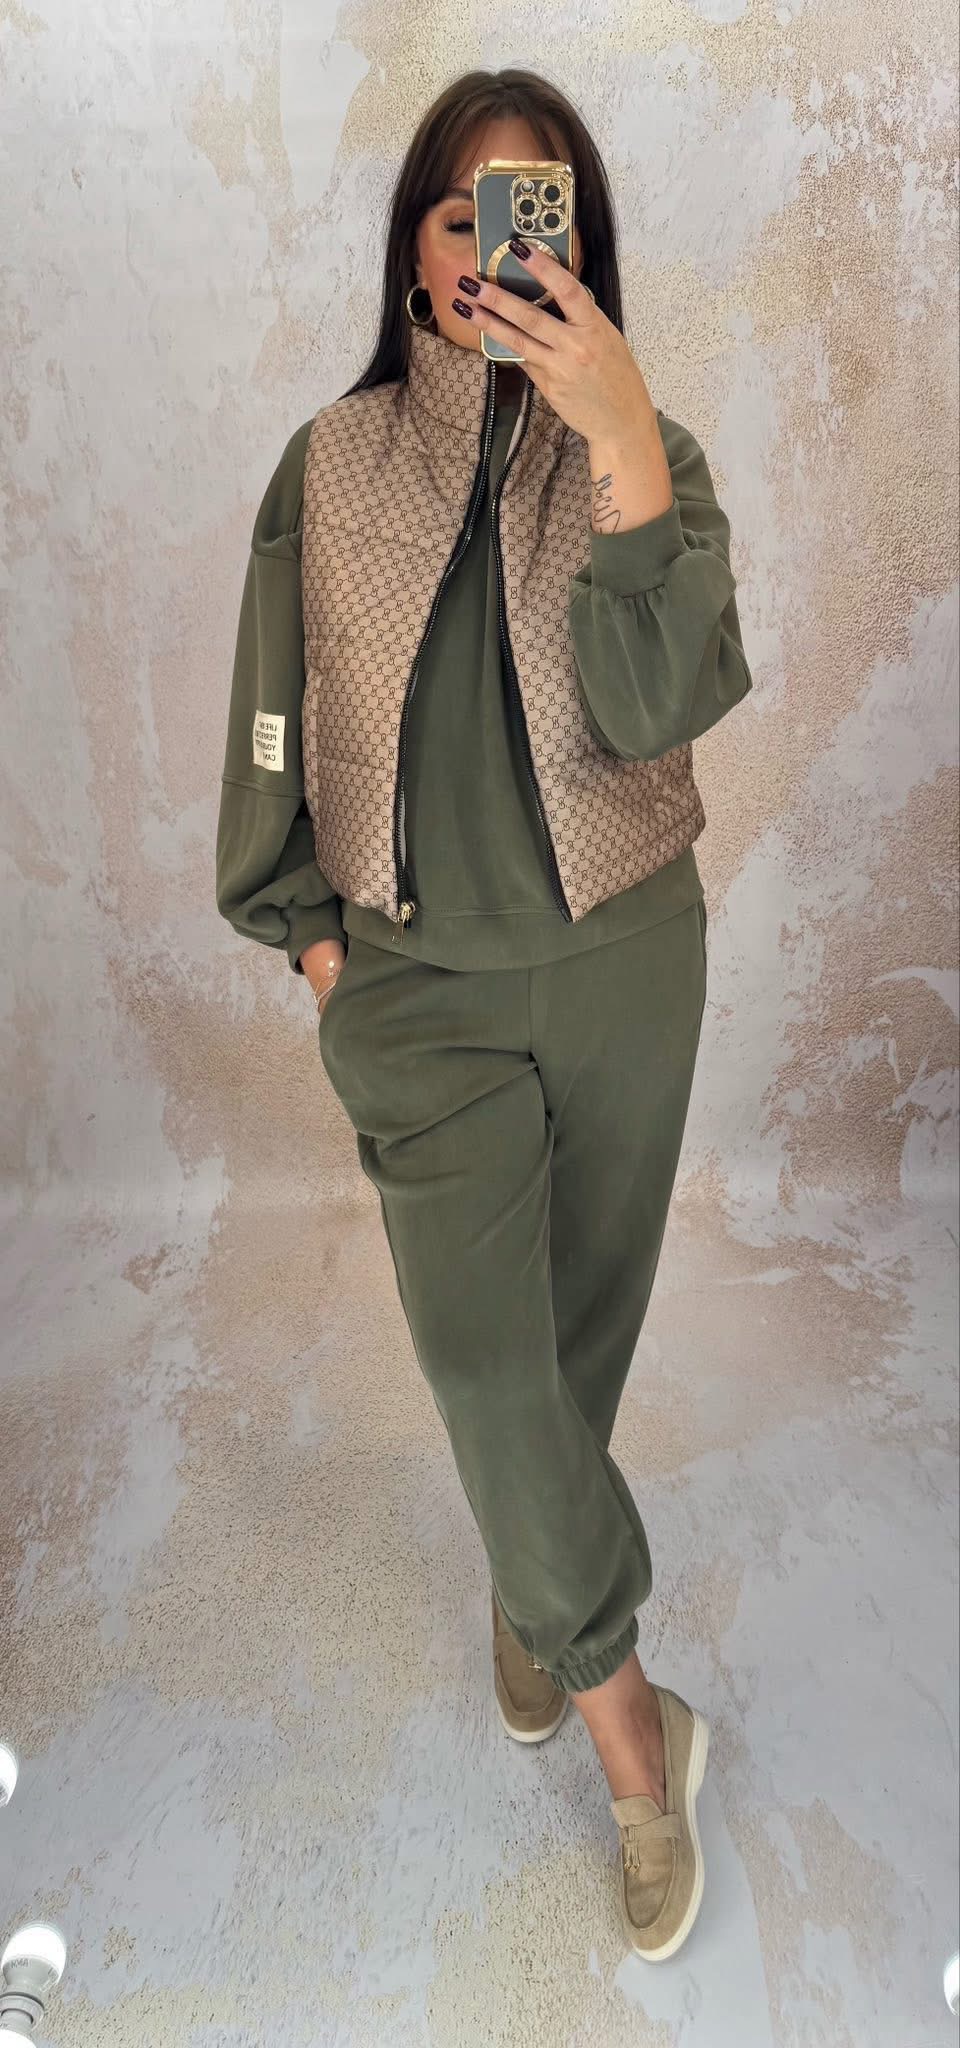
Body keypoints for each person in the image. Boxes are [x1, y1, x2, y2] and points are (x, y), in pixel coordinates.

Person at [216, 66, 753, 1961]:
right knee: (485, 1363)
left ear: (581, 248)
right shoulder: (331, 461)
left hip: (625, 965)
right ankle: (634, 1729)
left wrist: (617, 445)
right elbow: (270, 713)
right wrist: (308, 938)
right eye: (465, 211)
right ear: (415, 247)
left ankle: (537, 1597)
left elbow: (661, 706)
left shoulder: (647, 449)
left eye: (538, 215)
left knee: (576, 1340)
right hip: (416, 988)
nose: (495, 249)